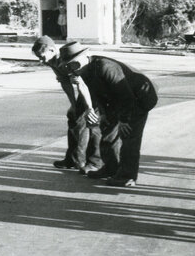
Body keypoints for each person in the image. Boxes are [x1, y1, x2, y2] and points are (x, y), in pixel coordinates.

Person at [60, 41, 158, 187]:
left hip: (140, 97)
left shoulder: (105, 67)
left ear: (86, 56)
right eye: (68, 66)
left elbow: (126, 95)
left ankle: (127, 176)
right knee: (107, 129)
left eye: (73, 64)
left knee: (128, 135)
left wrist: (124, 120)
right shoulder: (84, 70)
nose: (71, 69)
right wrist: (104, 114)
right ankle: (111, 168)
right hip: (117, 99)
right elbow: (96, 93)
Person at [32, 36, 102, 173]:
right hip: (84, 89)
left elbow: (81, 85)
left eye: (42, 57)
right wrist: (73, 105)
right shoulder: (52, 62)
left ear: (52, 50)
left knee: (92, 123)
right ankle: (73, 158)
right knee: (73, 117)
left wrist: (88, 108)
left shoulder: (67, 59)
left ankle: (94, 162)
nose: (41, 61)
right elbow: (65, 83)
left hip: (94, 89)